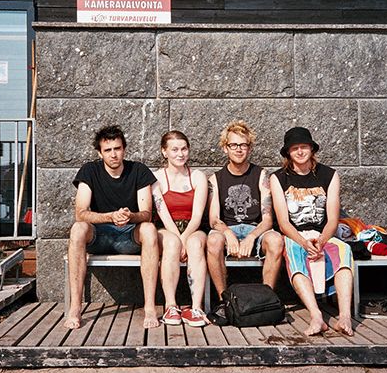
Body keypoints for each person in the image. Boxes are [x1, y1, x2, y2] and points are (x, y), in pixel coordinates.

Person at [64, 125, 163, 330]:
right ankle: (75, 307)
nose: (113, 154)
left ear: (124, 149)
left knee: (149, 229)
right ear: (100, 153)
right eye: (108, 150)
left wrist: (129, 216)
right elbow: (81, 212)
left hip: (129, 235)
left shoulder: (138, 170)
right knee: (77, 229)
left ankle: (150, 307)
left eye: (117, 148)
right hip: (100, 235)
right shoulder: (89, 171)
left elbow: (146, 214)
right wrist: (110, 216)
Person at [270, 127, 354, 336]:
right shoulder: (279, 178)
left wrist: (322, 241)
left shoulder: (329, 175)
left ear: (312, 149)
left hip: (323, 234)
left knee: (344, 251)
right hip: (295, 235)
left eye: (304, 147)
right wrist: (303, 242)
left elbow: (333, 219)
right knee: (293, 253)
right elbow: (283, 223)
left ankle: (344, 316)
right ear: (288, 153)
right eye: (295, 148)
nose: (300, 152)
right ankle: (316, 316)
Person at [207, 120, 284, 299]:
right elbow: (214, 219)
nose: (239, 149)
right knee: (213, 241)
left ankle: (267, 299)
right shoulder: (215, 179)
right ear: (225, 148)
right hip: (228, 229)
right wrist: (228, 233)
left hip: (255, 229)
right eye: (233, 145)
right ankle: (223, 299)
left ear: (250, 148)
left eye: (243, 145)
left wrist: (251, 236)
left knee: (276, 240)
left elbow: (267, 220)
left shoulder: (261, 175)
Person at [151, 131, 210, 327]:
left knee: (194, 244)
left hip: (192, 227)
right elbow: (164, 216)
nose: (180, 154)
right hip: (167, 228)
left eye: (184, 149)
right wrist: (178, 239)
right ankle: (171, 306)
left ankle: (196, 307)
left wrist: (185, 239)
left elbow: (197, 216)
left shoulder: (198, 177)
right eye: (174, 149)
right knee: (171, 243)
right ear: (164, 152)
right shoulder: (156, 179)